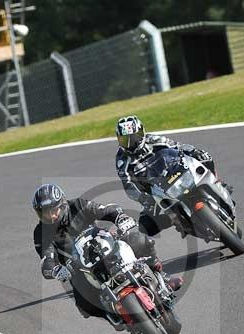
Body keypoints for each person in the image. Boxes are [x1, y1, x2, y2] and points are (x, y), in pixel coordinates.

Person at [32, 184, 181, 322]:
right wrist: (55, 270)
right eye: (44, 213)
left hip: (104, 245)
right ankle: (113, 315)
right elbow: (47, 258)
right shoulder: (41, 232)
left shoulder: (77, 205)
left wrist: (120, 218)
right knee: (84, 305)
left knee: (140, 240)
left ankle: (161, 275)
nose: (51, 216)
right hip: (79, 268)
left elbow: (105, 210)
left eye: (53, 211)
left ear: (63, 205)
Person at [115, 115, 230, 236]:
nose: (131, 143)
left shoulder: (153, 139)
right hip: (154, 191)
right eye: (125, 140)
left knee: (205, 157)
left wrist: (195, 152)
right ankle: (175, 220)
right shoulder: (122, 160)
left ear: (142, 132)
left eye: (134, 137)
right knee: (145, 226)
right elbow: (128, 185)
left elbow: (178, 146)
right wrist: (143, 197)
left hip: (174, 172)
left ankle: (217, 182)